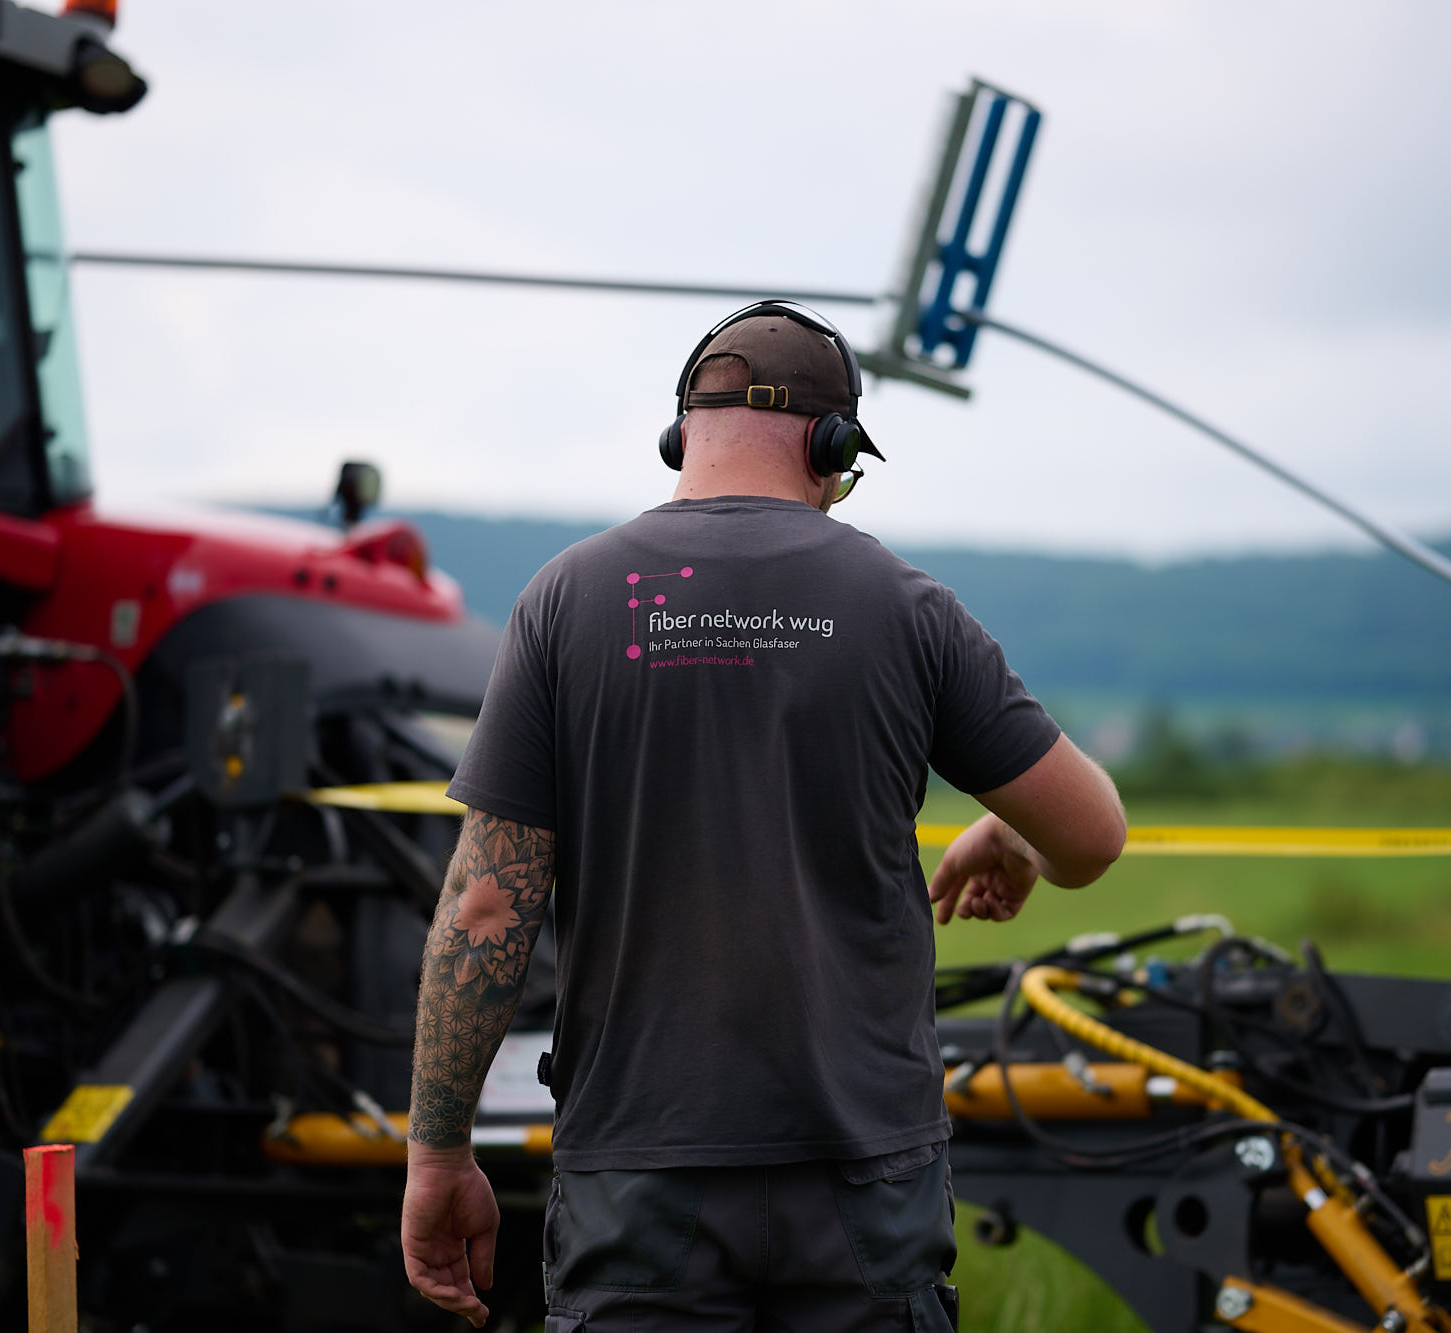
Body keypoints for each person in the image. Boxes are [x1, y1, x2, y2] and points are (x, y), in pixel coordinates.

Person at [400, 301, 1127, 1331]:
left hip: (637, 1182)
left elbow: (485, 909)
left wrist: (437, 1154)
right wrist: (1010, 831)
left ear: (681, 434)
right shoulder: (905, 603)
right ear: (830, 447)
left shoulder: (561, 601)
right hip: (862, 1181)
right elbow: (1091, 834)